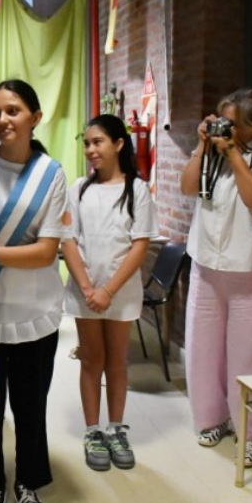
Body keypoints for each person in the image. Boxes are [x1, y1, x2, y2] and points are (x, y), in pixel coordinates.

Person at [0, 80, 68, 503]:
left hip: (34, 313)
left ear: (35, 117)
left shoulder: (53, 173)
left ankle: (27, 481)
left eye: (14, 111)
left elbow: (46, 252)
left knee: (30, 406)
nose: (3, 120)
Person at [179, 88, 252, 469]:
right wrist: (202, 146)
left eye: (231, 123)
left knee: (250, 355)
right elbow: (188, 186)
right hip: (207, 264)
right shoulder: (210, 151)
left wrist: (232, 154)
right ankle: (212, 418)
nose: (222, 128)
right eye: (219, 119)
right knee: (203, 347)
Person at [61, 114, 157, 472]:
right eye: (86, 143)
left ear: (119, 144)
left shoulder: (137, 189)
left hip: (121, 293)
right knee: (91, 360)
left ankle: (116, 428)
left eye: (98, 142)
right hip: (85, 293)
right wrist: (88, 287)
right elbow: (67, 239)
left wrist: (109, 290)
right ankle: (92, 430)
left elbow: (140, 243)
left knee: (117, 362)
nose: (90, 150)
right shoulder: (78, 189)